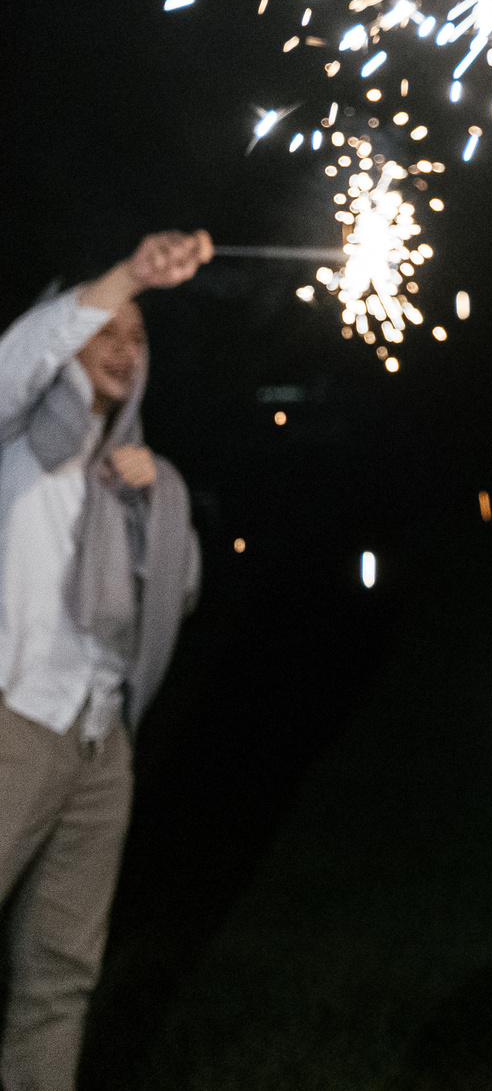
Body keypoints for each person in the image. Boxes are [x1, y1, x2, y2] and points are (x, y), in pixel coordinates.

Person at [0, 229, 210, 1091]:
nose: (124, 349)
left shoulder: (136, 466)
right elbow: (18, 356)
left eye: (138, 335)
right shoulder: (17, 441)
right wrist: (130, 276)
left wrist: (158, 504)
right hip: (15, 725)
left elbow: (181, 592)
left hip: (98, 742)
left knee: (61, 976)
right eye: (105, 331)